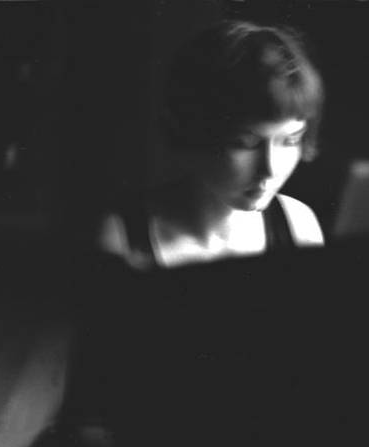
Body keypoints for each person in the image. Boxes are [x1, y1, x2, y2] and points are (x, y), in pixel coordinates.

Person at [98, 20, 326, 270]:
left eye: (290, 141)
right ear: (195, 132)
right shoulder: (122, 239)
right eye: (245, 143)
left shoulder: (299, 227)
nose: (270, 169)